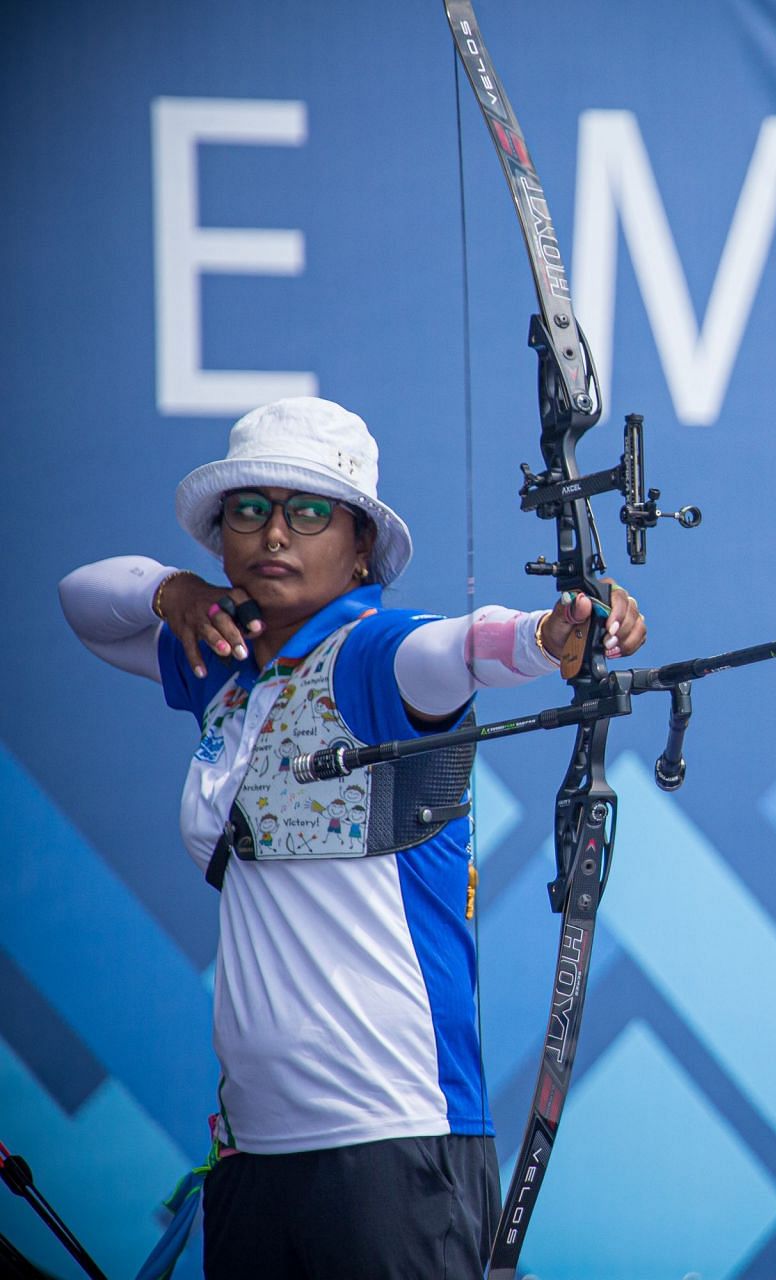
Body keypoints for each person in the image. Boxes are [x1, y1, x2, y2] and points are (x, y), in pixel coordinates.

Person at [57, 396, 646, 1278]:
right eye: (248, 511)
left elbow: (459, 648)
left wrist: (548, 634)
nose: (275, 535)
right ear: (221, 540)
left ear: (361, 543)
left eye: (309, 512)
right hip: (255, 1151)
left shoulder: (375, 655)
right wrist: (171, 590)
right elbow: (83, 603)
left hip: (392, 1150)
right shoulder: (221, 662)